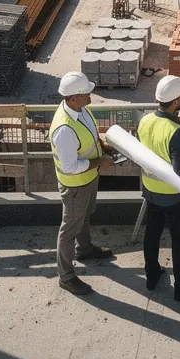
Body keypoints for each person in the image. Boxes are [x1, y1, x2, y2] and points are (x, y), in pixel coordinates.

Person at [138, 74, 180, 301]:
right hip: (175, 198)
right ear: (175, 102)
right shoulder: (175, 131)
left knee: (152, 234)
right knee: (179, 242)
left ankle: (152, 274)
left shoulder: (145, 121)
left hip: (151, 192)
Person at [51, 71, 115, 296]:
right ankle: (66, 277)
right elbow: (69, 166)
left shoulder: (81, 111)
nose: (90, 95)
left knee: (85, 215)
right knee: (69, 230)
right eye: (86, 93)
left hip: (88, 178)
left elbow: (90, 136)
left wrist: (103, 146)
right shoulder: (64, 129)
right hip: (75, 185)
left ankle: (85, 250)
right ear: (72, 98)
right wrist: (100, 161)